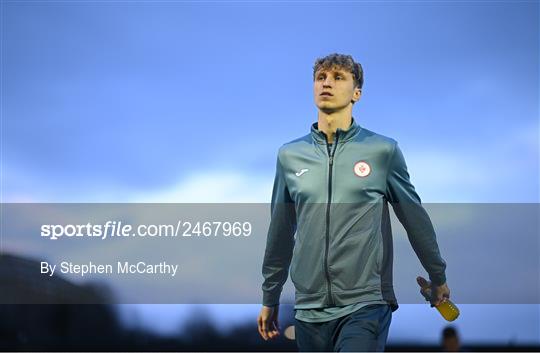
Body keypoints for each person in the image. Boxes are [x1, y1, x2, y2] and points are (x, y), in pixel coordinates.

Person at [257, 53, 451, 352]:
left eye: (338, 77)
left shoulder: (382, 151)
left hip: (366, 303)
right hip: (309, 308)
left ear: (356, 93)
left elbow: (414, 218)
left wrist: (437, 275)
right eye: (321, 77)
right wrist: (270, 297)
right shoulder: (289, 156)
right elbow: (280, 232)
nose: (326, 83)